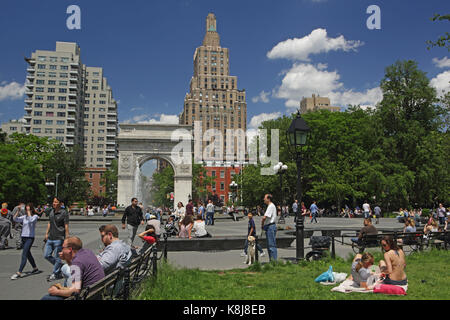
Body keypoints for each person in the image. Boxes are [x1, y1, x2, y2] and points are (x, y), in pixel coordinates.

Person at [10, 203, 40, 279]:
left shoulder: (35, 216)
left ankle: (19, 272)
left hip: (30, 238)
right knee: (28, 254)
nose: (26, 211)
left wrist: (29, 212)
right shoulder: (24, 217)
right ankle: (35, 268)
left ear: (31, 209)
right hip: (23, 237)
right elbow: (15, 219)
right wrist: (18, 211)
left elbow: (31, 220)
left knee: (24, 254)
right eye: (26, 209)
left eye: (28, 209)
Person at [44, 197, 69, 282]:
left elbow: (66, 225)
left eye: (55, 202)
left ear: (60, 203)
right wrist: (46, 233)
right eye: (53, 202)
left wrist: (67, 237)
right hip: (51, 237)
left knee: (57, 257)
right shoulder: (51, 211)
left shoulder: (64, 213)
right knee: (46, 255)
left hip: (59, 238)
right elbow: (49, 223)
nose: (53, 203)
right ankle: (61, 266)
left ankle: (55, 273)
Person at [261, 194, 277, 261]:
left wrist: (262, 225)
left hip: (270, 226)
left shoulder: (270, 206)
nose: (263, 199)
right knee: (270, 245)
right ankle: (272, 261)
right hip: (270, 226)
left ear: (268, 199)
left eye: (264, 198)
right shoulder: (271, 206)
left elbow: (265, 217)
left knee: (271, 245)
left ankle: (273, 261)